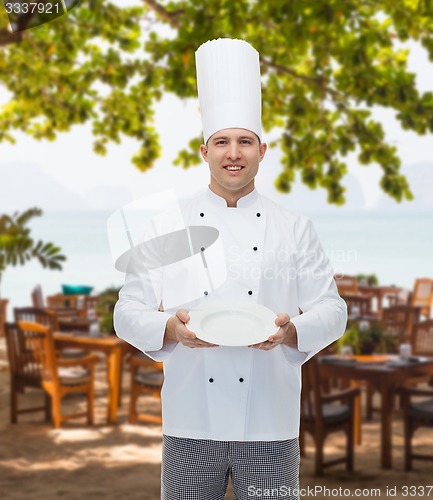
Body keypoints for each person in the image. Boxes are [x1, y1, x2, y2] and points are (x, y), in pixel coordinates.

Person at [114, 38, 347, 500]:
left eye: (244, 141)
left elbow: (333, 309)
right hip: (189, 420)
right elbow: (126, 311)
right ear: (205, 152)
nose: (233, 153)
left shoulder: (294, 227)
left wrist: (290, 331)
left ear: (263, 149)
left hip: (270, 421)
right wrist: (169, 328)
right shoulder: (167, 225)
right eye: (222, 142)